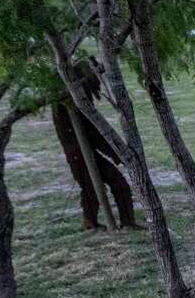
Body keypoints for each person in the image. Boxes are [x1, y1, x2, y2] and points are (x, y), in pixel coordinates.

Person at [52, 65, 141, 231]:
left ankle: (123, 222)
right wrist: (118, 154)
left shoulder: (78, 99)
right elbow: (94, 133)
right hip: (78, 153)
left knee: (108, 184)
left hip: (83, 151)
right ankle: (94, 222)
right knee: (94, 186)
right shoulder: (70, 104)